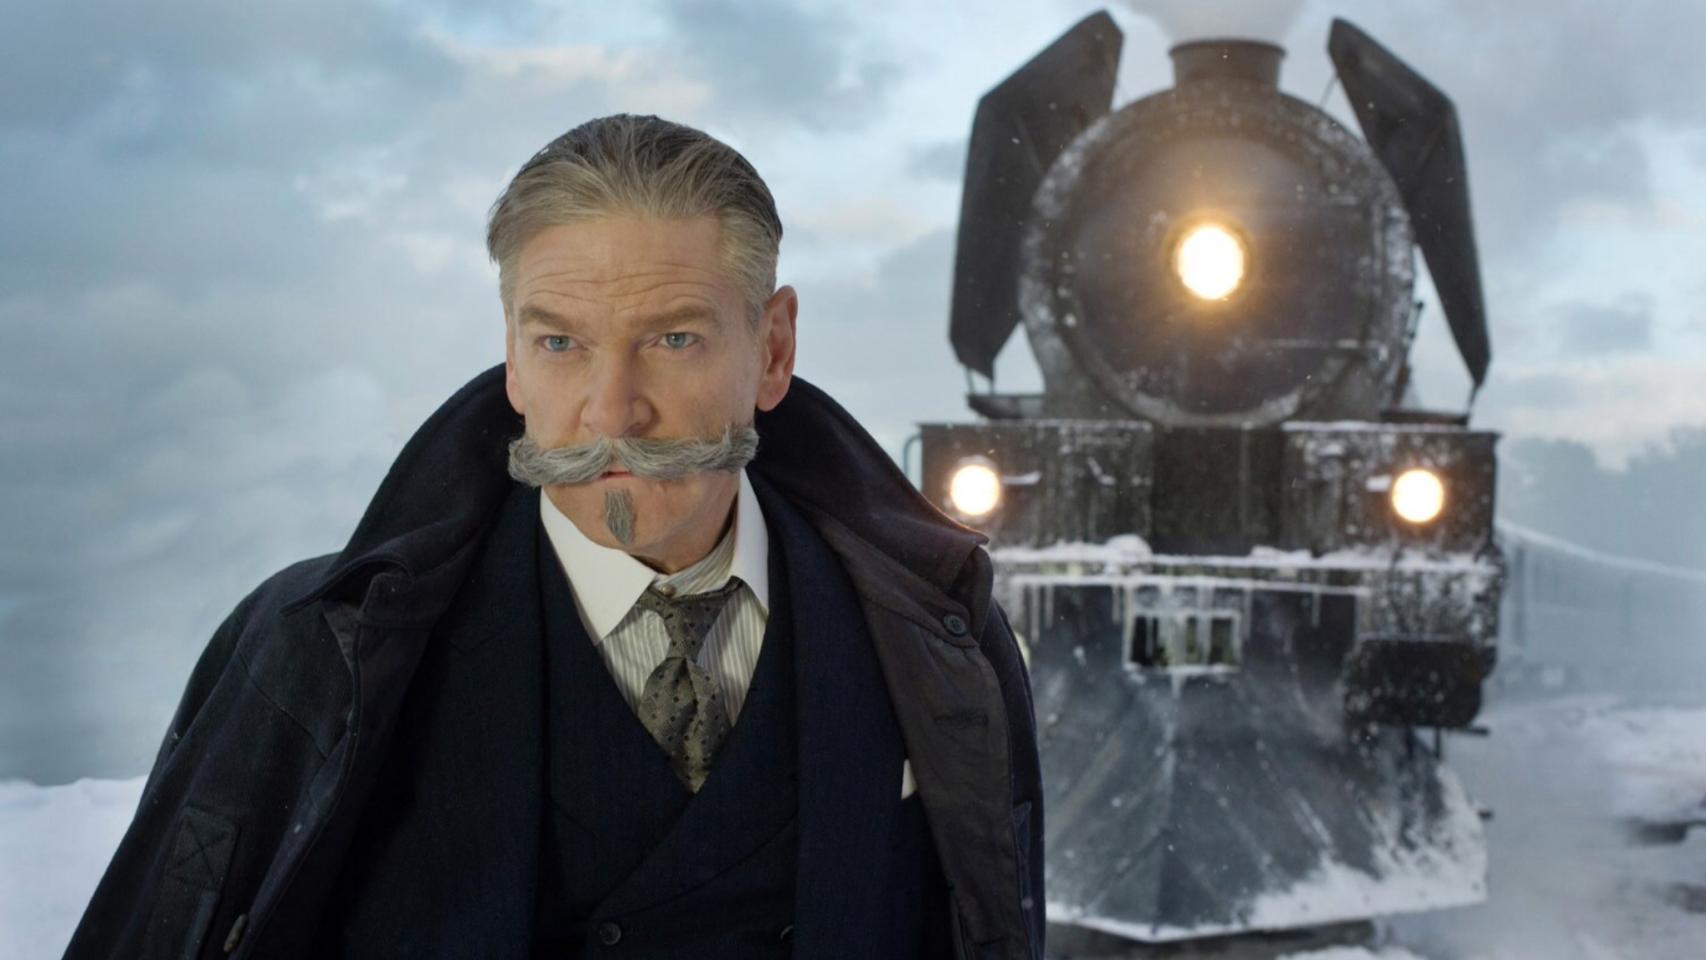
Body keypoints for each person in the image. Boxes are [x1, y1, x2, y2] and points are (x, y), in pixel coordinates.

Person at [64, 114, 1043, 960]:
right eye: (560, 343)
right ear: (514, 361)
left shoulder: (936, 643)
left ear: (773, 350)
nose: (611, 411)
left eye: (673, 338)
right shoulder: (311, 652)